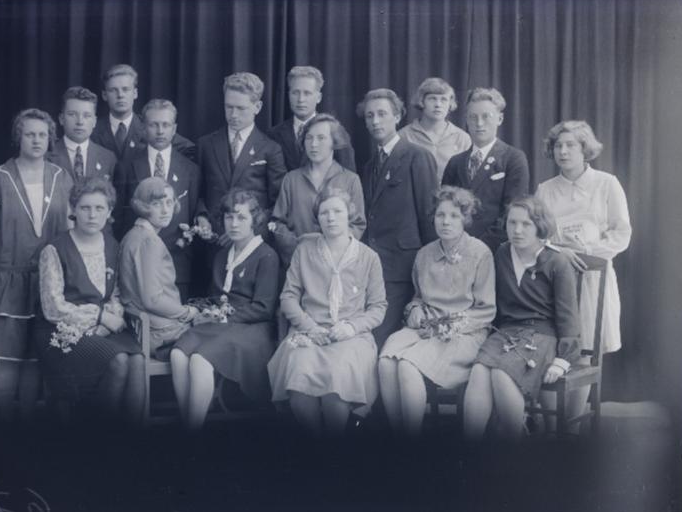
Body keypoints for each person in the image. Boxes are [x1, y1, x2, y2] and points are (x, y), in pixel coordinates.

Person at [0, 108, 73, 423]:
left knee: (33, 356)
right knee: (7, 355)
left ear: (50, 138)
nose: (36, 140)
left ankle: (27, 421)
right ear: (19, 137)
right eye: (30, 134)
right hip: (7, 277)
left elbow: (71, 231)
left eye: (42, 134)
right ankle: (6, 420)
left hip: (47, 278)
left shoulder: (61, 177)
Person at [269, 186, 387, 436]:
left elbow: (378, 307)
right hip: (309, 331)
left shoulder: (369, 257)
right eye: (324, 213)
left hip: (351, 336)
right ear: (318, 218)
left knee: (338, 375)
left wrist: (351, 327)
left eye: (337, 211)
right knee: (299, 370)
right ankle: (315, 443)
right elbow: (288, 297)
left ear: (349, 215)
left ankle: (334, 443)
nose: (331, 218)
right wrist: (310, 327)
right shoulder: (304, 251)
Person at [536, 120, 632, 426]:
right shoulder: (545, 190)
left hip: (592, 280)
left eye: (570, 145)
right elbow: (536, 236)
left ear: (584, 149)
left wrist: (588, 251)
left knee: (583, 351)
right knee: (549, 347)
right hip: (552, 281)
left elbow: (622, 233)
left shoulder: (606, 183)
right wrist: (559, 251)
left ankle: (572, 426)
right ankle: (550, 428)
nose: (563, 152)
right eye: (558, 146)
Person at [379, 187, 495, 437]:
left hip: (463, 333)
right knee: (386, 360)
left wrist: (450, 326)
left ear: (465, 218)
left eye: (454, 216)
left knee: (408, 365)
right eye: (440, 215)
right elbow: (418, 297)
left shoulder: (480, 253)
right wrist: (415, 309)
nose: (446, 222)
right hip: (426, 329)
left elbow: (486, 311)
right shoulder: (425, 254)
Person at [463, 197, 581, 440]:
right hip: (507, 332)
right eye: (512, 223)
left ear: (539, 226)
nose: (517, 230)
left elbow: (568, 316)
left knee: (502, 374)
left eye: (526, 224)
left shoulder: (557, 261)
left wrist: (563, 360)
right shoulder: (502, 254)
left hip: (542, 335)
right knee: (479, 371)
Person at [34, 177, 145, 425]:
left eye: (99, 208)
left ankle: (133, 437)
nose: (92, 215)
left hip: (103, 329)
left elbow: (115, 294)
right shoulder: (54, 249)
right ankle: (97, 435)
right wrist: (99, 317)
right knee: (118, 360)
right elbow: (52, 307)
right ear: (73, 209)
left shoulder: (113, 246)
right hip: (60, 331)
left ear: (109, 211)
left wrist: (106, 322)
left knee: (137, 360)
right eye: (85, 208)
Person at [170, 189, 280, 430]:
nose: (234, 224)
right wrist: (206, 312)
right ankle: (188, 422)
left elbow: (264, 308)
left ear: (254, 220)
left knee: (200, 359)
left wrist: (223, 318)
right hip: (221, 324)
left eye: (241, 217)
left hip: (253, 328)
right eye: (229, 217)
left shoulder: (267, 256)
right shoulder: (221, 255)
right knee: (178, 354)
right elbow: (215, 297)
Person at [358, 88, 439, 349]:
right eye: (370, 116)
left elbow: (429, 217)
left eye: (382, 114)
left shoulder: (418, 156)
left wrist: (427, 274)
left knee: (382, 340)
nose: (375, 121)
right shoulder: (369, 166)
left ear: (397, 116)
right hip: (372, 269)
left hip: (404, 269)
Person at [113, 99, 210, 301]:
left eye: (165, 125)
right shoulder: (127, 166)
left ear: (174, 129)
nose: (160, 131)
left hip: (178, 263)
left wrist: (201, 217)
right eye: (153, 124)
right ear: (143, 128)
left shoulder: (190, 169)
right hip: (139, 261)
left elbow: (194, 208)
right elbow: (120, 218)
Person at [197, 72, 286, 245]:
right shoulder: (206, 145)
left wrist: (248, 232)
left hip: (252, 242)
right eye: (228, 107)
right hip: (213, 240)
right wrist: (202, 217)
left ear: (257, 107)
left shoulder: (271, 149)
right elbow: (198, 194)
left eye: (241, 108)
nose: (233, 114)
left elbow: (278, 203)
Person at [270, 113, 366, 270]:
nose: (313, 144)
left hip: (336, 266)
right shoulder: (291, 179)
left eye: (321, 138)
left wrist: (332, 251)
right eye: (309, 138)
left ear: (334, 142)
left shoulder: (351, 180)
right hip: (298, 265)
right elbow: (278, 223)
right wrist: (299, 251)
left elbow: (357, 224)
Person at [441, 87, 530, 253]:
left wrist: (478, 247)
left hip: (495, 250)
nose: (479, 123)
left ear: (500, 119)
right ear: (466, 120)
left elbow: (512, 212)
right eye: (473, 117)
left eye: (486, 116)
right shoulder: (456, 162)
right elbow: (444, 208)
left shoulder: (513, 158)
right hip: (455, 249)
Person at [118, 177, 199, 357]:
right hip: (159, 333)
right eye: (156, 204)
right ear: (143, 206)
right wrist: (187, 312)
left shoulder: (133, 234)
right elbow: (153, 300)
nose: (165, 210)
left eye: (169, 203)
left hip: (144, 327)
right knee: (216, 337)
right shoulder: (149, 241)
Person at [91, 63, 196, 165]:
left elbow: (190, 149)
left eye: (126, 89)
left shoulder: (148, 126)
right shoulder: (93, 130)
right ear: (104, 95)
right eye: (113, 90)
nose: (120, 95)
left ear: (135, 93)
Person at [268, 66, 357, 172]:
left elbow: (348, 175)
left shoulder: (336, 132)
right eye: (295, 93)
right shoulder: (274, 134)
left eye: (307, 93)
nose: (301, 99)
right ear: (289, 95)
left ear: (319, 97)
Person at [399, 77, 471, 182]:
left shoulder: (462, 138)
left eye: (443, 99)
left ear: (450, 104)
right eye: (432, 99)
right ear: (422, 101)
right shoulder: (404, 136)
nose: (438, 105)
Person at [49, 86, 117, 185]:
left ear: (94, 121)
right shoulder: (47, 156)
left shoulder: (108, 158)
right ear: (61, 119)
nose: (80, 122)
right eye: (72, 114)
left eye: (87, 116)